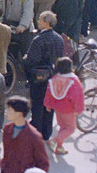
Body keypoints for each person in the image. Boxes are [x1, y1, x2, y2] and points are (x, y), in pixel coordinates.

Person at [23, 11, 63, 141]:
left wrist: (25, 62)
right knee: (49, 106)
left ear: (46, 22)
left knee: (37, 105)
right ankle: (46, 132)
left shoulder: (39, 39)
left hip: (39, 78)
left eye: (40, 20)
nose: (38, 22)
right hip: (53, 77)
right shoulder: (59, 38)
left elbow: (31, 60)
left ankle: (36, 131)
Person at [43, 56, 85, 155]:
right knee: (70, 128)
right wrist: (79, 109)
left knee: (63, 127)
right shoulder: (73, 80)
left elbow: (48, 93)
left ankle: (59, 147)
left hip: (57, 109)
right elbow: (78, 96)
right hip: (68, 109)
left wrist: (48, 104)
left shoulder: (54, 79)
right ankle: (54, 140)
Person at [0, 96, 49, 173]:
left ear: (19, 114)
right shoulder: (7, 129)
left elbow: (43, 163)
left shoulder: (34, 136)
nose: (6, 111)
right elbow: (6, 154)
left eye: (9, 109)